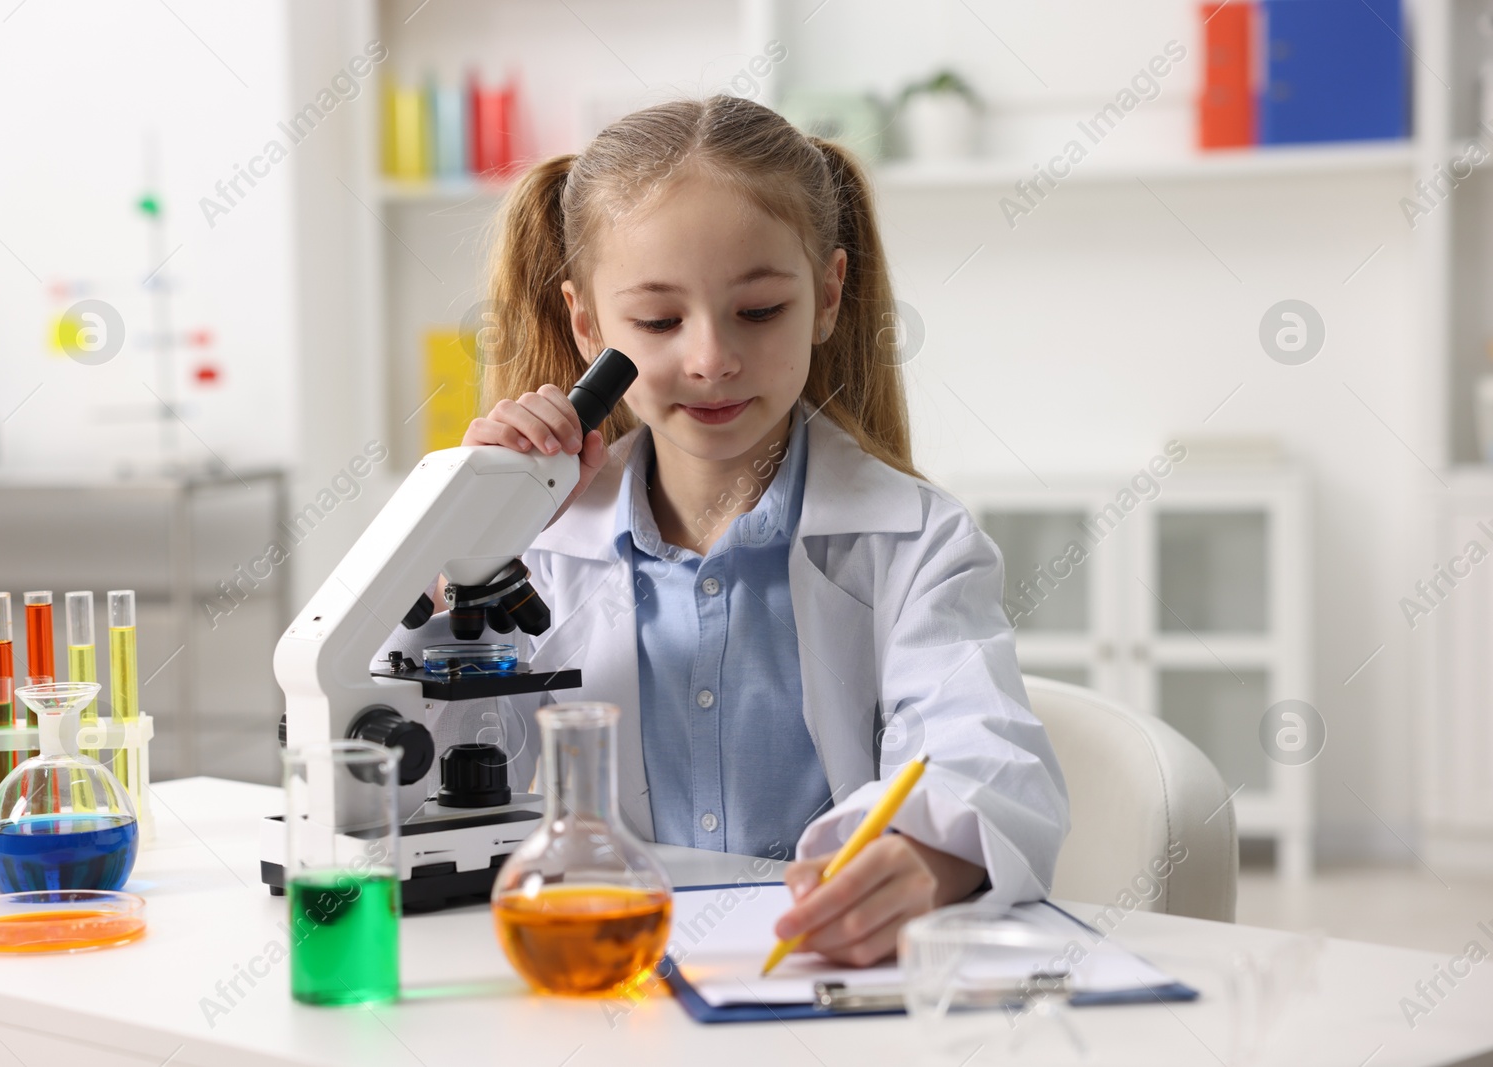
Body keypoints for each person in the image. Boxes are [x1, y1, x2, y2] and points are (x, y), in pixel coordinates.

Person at [377, 95, 1069, 967]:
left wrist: (923, 858)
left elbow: (983, 750)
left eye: (759, 310)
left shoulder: (916, 542)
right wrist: (463, 550)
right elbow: (396, 784)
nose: (709, 358)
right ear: (588, 326)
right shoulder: (533, 551)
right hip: (601, 974)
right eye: (660, 322)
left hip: (815, 980)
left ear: (827, 296)